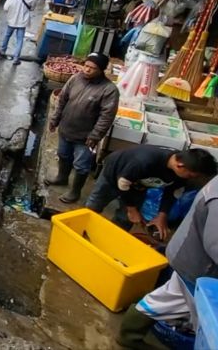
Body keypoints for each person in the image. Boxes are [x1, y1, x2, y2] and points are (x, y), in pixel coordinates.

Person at [118, 173, 218, 349]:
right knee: (207, 322)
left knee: (167, 298)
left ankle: (129, 335)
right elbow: (215, 244)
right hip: (200, 267)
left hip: (188, 256)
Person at [85, 146, 216, 238]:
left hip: (139, 185)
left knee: (125, 219)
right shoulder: (144, 161)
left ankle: (111, 237)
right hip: (115, 175)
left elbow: (171, 192)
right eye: (191, 176)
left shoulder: (180, 172)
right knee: (95, 205)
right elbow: (123, 184)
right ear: (180, 166)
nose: (191, 179)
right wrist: (132, 209)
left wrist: (162, 216)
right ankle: (83, 228)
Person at [46, 52, 119, 203]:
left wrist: (95, 136)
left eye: (92, 68)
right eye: (86, 66)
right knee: (63, 154)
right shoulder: (75, 78)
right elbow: (62, 100)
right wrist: (55, 119)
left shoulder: (109, 90)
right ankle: (62, 177)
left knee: (81, 165)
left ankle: (75, 191)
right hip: (66, 128)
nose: (87, 70)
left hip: (85, 137)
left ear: (101, 70)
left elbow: (106, 117)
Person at [0, 0, 37, 65]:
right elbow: (32, 8)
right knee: (20, 40)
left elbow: (5, 8)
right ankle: (16, 58)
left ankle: (2, 51)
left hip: (11, 20)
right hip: (22, 22)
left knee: (7, 36)